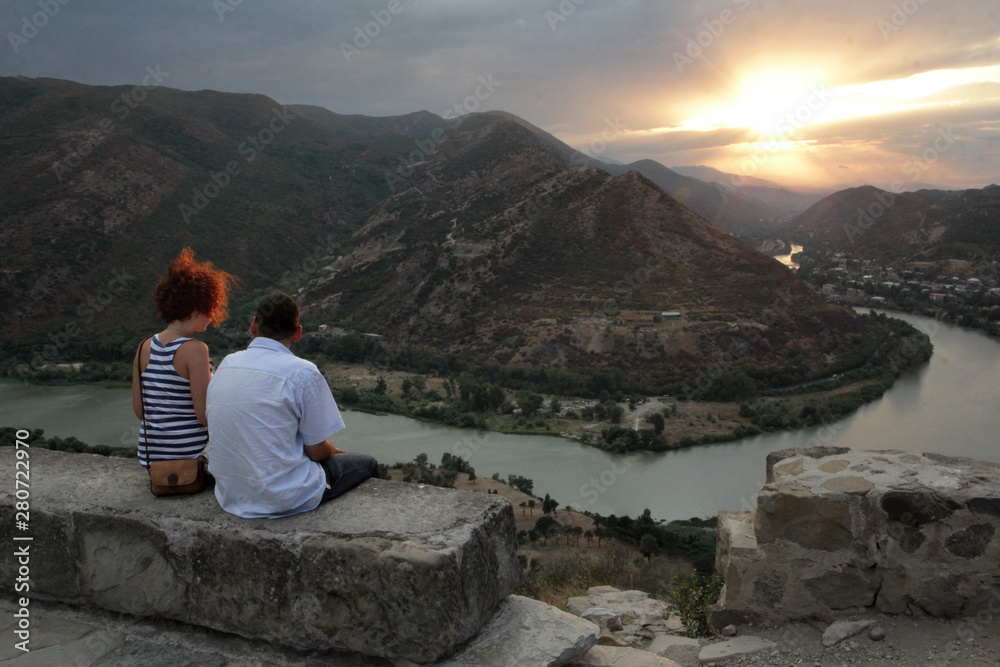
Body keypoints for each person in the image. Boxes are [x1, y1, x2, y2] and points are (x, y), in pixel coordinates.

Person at [206, 292, 377, 518]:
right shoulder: (303, 372)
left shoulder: (227, 364)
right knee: (368, 464)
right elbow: (316, 451)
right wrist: (331, 450)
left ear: (254, 326)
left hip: (230, 495)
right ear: (298, 333)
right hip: (282, 497)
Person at [132, 247, 238, 468]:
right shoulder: (195, 350)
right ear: (196, 308)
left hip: (150, 460)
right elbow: (205, 414)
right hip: (191, 460)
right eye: (212, 307)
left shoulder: (143, 346)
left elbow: (140, 411)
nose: (213, 315)